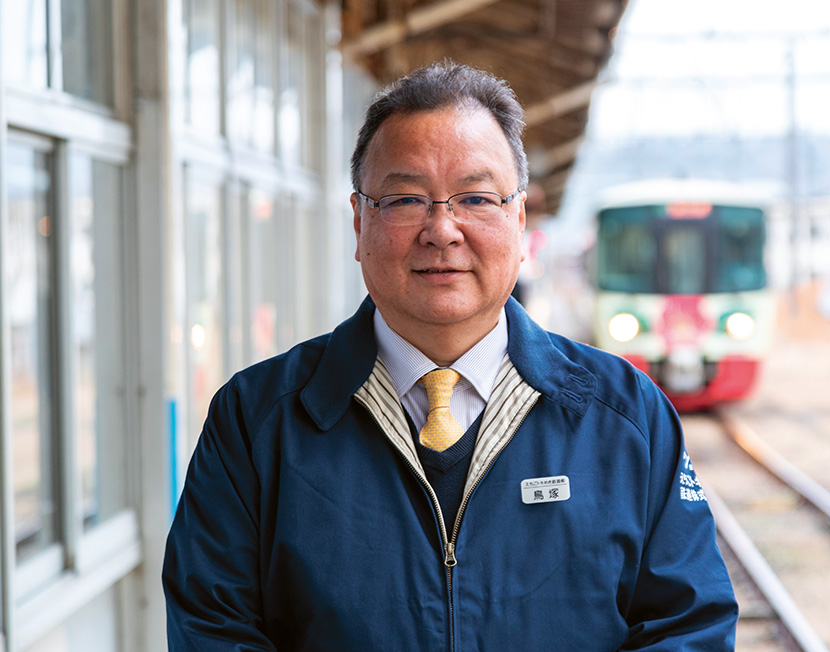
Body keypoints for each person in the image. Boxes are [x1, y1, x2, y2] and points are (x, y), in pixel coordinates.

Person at [163, 61, 738, 651]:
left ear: (518, 221)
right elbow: (213, 630)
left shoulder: (626, 416)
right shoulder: (256, 421)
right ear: (359, 221)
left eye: (475, 197)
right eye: (407, 198)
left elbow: (688, 626)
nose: (442, 230)